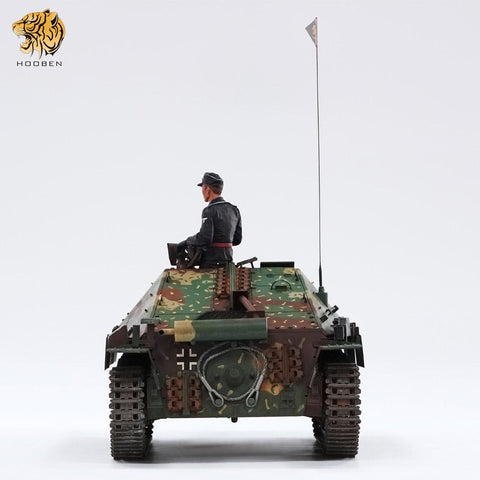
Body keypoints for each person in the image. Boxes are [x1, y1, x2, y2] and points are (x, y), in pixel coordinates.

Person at [178, 172, 242, 267]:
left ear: (207, 189)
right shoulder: (234, 210)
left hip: (210, 264)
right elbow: (237, 239)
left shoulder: (209, 211)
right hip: (227, 263)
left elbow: (204, 238)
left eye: (202, 188)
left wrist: (187, 241)